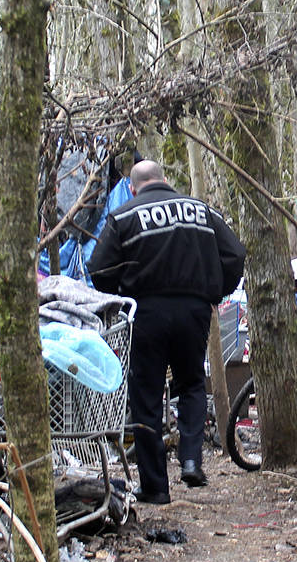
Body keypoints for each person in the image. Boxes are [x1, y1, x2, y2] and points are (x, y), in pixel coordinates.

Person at [89, 160, 246, 504]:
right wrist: (216, 290)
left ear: (132, 188)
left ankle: (156, 487)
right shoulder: (202, 211)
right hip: (194, 310)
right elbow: (235, 254)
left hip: (145, 312)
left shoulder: (124, 216)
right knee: (191, 383)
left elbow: (98, 269)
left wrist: (121, 295)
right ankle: (191, 459)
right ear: (165, 180)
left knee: (145, 396)